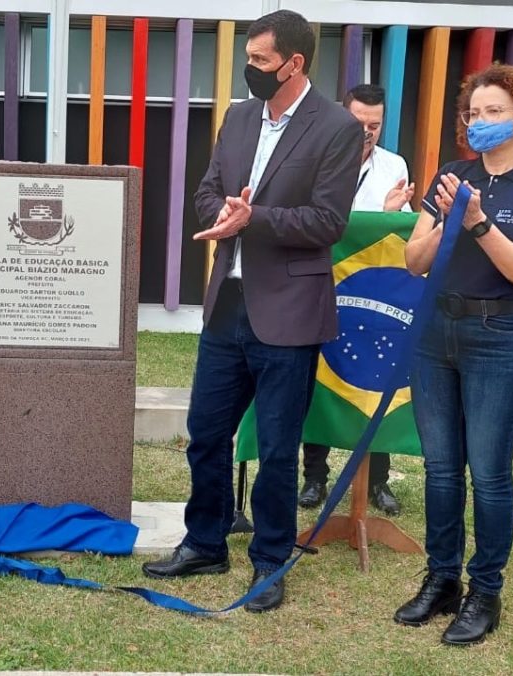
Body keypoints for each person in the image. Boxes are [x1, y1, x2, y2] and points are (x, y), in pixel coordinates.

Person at [140, 9, 362, 613]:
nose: (250, 70)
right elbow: (207, 190)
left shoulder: (337, 128)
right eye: (249, 58)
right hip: (228, 307)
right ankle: (206, 542)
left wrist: (253, 218)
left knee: (278, 448)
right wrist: (223, 212)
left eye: (261, 61)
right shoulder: (238, 118)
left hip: (289, 311)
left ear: (295, 63)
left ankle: (269, 561)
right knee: (206, 435)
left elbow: (327, 221)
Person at [395, 64, 513, 645]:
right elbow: (414, 261)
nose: (481, 122)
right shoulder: (452, 175)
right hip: (436, 334)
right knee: (441, 467)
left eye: (494, 111)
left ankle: (486, 590)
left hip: (499, 338)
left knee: (489, 473)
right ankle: (441, 578)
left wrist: (478, 224)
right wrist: (443, 221)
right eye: (474, 113)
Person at [299, 83, 414, 516]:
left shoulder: (394, 166)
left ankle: (377, 481)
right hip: (319, 287)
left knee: (373, 380)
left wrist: (390, 211)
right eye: (358, 122)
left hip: (369, 297)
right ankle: (314, 476)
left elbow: (396, 236)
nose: (366, 132)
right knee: (321, 378)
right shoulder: (316, 159)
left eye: (374, 125)